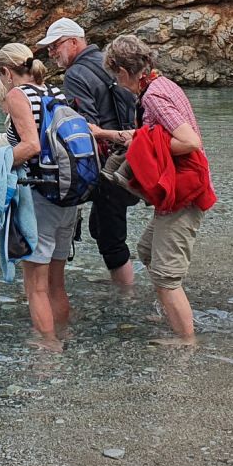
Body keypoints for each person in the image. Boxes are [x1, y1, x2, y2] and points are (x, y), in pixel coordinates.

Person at [94, 34, 215, 345]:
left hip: (185, 191)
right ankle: (171, 314)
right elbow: (149, 133)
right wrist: (105, 133)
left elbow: (190, 141)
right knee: (147, 251)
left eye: (114, 76)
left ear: (121, 71)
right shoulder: (163, 84)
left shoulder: (152, 96)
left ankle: (186, 340)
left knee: (166, 275)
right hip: (182, 188)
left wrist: (147, 149)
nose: (116, 83)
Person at [38, 16, 141, 288]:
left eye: (55, 46)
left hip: (108, 167)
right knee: (102, 226)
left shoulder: (76, 74)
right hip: (130, 158)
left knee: (110, 235)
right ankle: (121, 284)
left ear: (73, 42)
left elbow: (82, 129)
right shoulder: (107, 64)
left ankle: (126, 295)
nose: (51, 53)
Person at [0, 42, 75, 348]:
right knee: (56, 282)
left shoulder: (17, 95)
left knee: (36, 287)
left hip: (39, 197)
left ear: (5, 72)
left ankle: (48, 347)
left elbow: (31, 147)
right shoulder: (54, 92)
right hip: (68, 195)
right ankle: (64, 334)